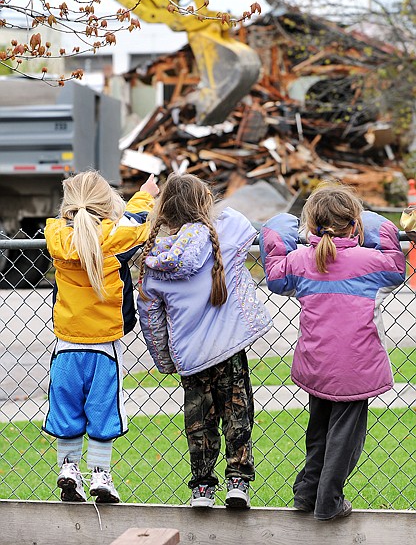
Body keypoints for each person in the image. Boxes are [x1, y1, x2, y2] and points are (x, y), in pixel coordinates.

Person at [259, 181, 405, 521]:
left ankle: (306, 494)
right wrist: (377, 225)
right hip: (356, 367)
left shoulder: (300, 259)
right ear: (354, 225)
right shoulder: (371, 262)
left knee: (319, 433)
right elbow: (396, 268)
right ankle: (328, 501)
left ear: (310, 226)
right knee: (345, 441)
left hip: (316, 363)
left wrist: (275, 234)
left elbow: (277, 278)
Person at [136, 173, 273, 509]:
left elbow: (150, 319)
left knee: (200, 423)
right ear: (205, 204)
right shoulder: (225, 234)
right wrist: (206, 214)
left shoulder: (153, 260)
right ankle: (238, 481)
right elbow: (241, 220)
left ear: (164, 212)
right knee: (238, 414)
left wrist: (164, 359)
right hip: (229, 349)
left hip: (190, 357)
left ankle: (201, 488)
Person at [43, 170, 159, 503]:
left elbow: (70, 223)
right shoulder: (115, 238)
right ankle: (100, 475)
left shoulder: (57, 236)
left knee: (66, 409)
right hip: (104, 345)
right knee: (103, 409)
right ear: (107, 205)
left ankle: (67, 468)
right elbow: (135, 220)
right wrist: (145, 194)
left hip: (65, 344)